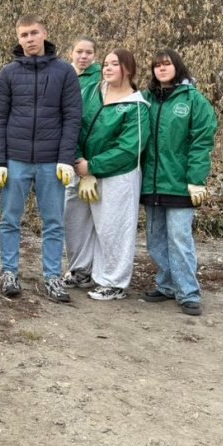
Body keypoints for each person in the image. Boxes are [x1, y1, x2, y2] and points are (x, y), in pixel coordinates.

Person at [0, 17, 83, 300]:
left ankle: (53, 277)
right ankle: (9, 272)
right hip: (15, 160)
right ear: (18, 39)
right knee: (9, 219)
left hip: (51, 161)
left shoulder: (65, 72)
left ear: (45, 33)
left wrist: (66, 158)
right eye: (23, 34)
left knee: (53, 221)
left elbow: (72, 117)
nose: (29, 38)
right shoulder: (8, 73)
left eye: (33, 33)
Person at [66, 48, 150, 301]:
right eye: (106, 64)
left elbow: (129, 148)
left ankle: (113, 281)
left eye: (115, 64)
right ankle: (81, 270)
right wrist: (80, 162)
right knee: (74, 221)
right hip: (81, 169)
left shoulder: (137, 107)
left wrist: (93, 166)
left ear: (129, 69)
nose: (108, 68)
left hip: (117, 176)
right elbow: (73, 124)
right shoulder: (91, 92)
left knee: (113, 226)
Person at [140, 48, 218, 316]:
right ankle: (166, 284)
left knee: (180, 238)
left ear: (177, 67)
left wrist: (196, 179)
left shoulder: (193, 100)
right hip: (151, 183)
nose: (161, 69)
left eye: (167, 64)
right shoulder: (146, 99)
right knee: (155, 238)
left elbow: (201, 142)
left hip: (180, 183)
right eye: (157, 66)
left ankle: (188, 292)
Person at [62, 36, 103, 290]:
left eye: (89, 52)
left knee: (98, 220)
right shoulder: (64, 76)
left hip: (91, 161)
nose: (84, 56)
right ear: (71, 53)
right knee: (72, 216)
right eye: (79, 51)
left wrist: (90, 165)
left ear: (95, 56)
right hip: (68, 157)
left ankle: (96, 271)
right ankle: (77, 268)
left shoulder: (101, 81)